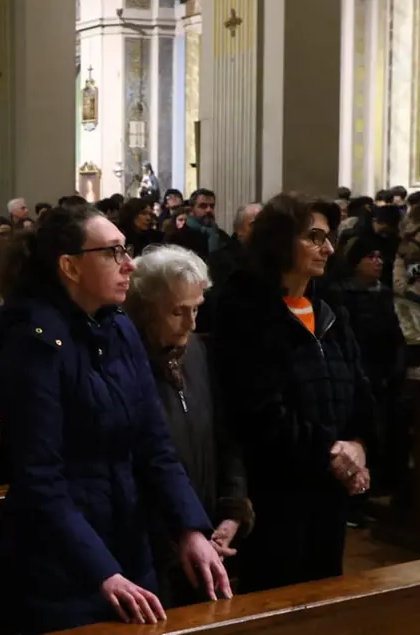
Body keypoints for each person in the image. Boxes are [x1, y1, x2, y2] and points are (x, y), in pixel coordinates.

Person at [0, 205, 228, 634]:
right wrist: (101, 571)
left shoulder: (117, 327)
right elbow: (41, 477)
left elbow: (155, 444)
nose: (129, 264)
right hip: (59, 563)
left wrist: (190, 527)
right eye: (113, 253)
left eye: (126, 250)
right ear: (70, 267)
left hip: (127, 543)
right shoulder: (34, 343)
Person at [209, 192, 376, 592]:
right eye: (314, 237)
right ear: (280, 240)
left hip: (330, 484)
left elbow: (360, 387)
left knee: (324, 594)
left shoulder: (329, 304)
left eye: (329, 237)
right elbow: (257, 409)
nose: (329, 248)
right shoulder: (242, 307)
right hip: (275, 488)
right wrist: (331, 451)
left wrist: (358, 445)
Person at [124, 245, 252, 607]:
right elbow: (141, 461)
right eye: (178, 311)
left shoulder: (196, 350)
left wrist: (231, 511)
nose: (192, 324)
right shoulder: (127, 360)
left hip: (206, 531)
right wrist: (178, 532)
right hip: (152, 543)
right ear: (145, 308)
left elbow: (224, 435)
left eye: (196, 308)